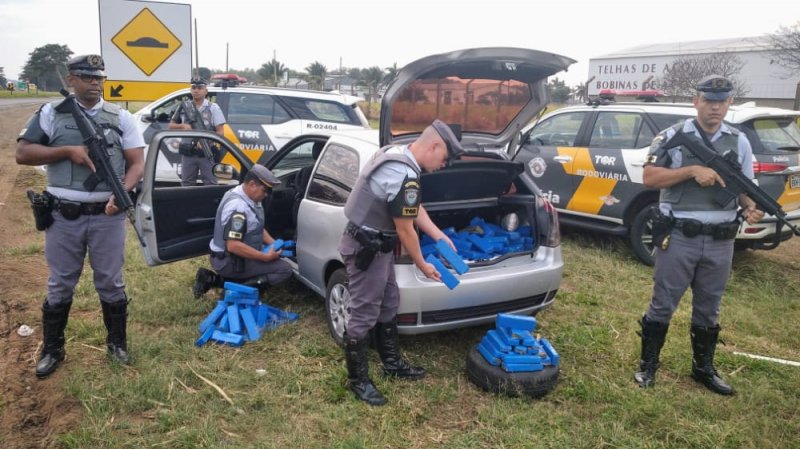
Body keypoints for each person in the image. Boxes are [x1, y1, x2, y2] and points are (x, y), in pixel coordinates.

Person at [15, 54, 145, 377]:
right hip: (63, 216)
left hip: (107, 214)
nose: (95, 83)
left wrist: (122, 191)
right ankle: (53, 349)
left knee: (111, 282)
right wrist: (66, 151)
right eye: (87, 77)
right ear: (70, 80)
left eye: (99, 78)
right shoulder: (51, 114)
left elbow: (137, 164)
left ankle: (117, 344)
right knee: (60, 283)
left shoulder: (121, 117)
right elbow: (23, 153)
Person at [634, 75, 764, 395]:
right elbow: (649, 176)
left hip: (721, 239)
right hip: (679, 235)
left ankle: (703, 369)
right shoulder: (673, 136)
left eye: (722, 101)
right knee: (663, 302)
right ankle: (648, 366)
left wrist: (752, 207)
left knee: (709, 306)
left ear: (729, 103)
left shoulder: (739, 141)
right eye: (708, 100)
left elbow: (745, 187)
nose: (715, 107)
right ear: (696, 101)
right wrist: (691, 171)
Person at [338, 119, 463, 405]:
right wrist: (421, 264)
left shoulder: (395, 153)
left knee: (389, 302)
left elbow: (411, 205)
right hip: (365, 249)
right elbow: (405, 228)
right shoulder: (402, 173)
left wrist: (438, 234)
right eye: (444, 159)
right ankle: (358, 381)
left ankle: (392, 365)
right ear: (434, 145)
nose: (442, 166)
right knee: (364, 312)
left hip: (378, 247)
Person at [192, 165, 292, 297]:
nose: (266, 194)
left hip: (232, 256)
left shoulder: (244, 194)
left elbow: (257, 227)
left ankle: (211, 278)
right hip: (229, 260)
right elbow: (233, 246)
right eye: (265, 190)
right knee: (284, 270)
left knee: (269, 260)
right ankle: (235, 292)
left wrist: (274, 244)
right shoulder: (238, 207)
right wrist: (265, 257)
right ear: (252, 184)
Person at [168, 78, 226, 186]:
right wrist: (182, 126)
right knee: (187, 184)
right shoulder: (184, 106)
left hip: (206, 152)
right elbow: (171, 126)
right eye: (193, 88)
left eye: (200, 88)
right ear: (190, 90)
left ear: (206, 91)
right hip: (188, 152)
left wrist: (207, 141)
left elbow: (220, 132)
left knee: (210, 183)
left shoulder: (213, 108)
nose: (196, 90)